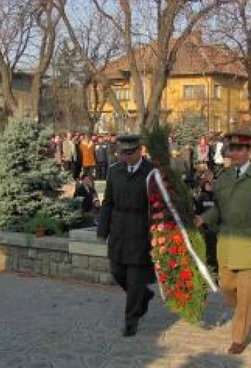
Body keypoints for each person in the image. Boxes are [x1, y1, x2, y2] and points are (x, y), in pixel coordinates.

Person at [195, 132, 251, 355]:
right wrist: (204, 218)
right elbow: (220, 209)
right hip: (227, 244)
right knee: (226, 286)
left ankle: (239, 337)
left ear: (248, 151)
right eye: (231, 149)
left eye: (239, 149)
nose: (234, 153)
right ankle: (246, 311)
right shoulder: (225, 177)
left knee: (245, 296)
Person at [97, 135, 154, 338]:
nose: (127, 157)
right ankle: (144, 295)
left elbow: (158, 205)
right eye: (123, 153)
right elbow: (108, 203)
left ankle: (131, 320)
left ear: (140, 151)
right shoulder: (114, 171)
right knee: (117, 271)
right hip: (119, 230)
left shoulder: (151, 172)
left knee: (135, 278)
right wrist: (102, 231)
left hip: (140, 230)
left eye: (131, 152)